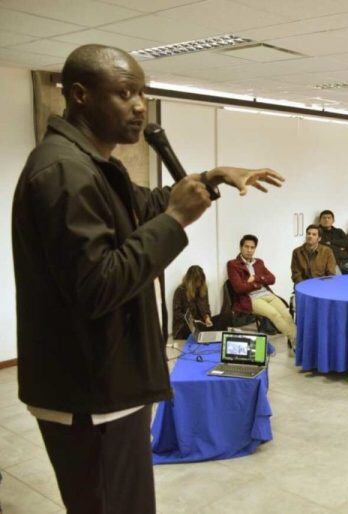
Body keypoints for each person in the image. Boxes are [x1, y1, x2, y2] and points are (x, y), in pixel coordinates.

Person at [11, 44, 284, 514]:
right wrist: (177, 219)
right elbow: (98, 285)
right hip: (90, 394)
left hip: (107, 386)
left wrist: (211, 176)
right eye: (123, 93)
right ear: (79, 95)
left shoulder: (94, 165)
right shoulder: (64, 173)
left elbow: (147, 204)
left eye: (142, 92)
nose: (140, 105)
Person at [227, 235, 296, 350]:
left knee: (287, 314)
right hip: (251, 299)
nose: (249, 250)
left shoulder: (259, 262)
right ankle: (297, 342)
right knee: (275, 315)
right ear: (240, 247)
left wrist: (255, 278)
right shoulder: (233, 264)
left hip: (267, 294)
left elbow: (272, 279)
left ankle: (295, 340)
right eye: (246, 247)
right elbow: (239, 288)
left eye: (252, 247)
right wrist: (257, 284)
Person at [172, 265, 214, 339]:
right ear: (190, 281)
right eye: (197, 281)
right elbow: (177, 314)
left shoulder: (203, 289)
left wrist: (207, 318)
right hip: (185, 326)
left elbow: (206, 307)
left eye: (201, 281)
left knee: (225, 317)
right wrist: (192, 321)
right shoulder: (180, 291)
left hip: (201, 324)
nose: (199, 284)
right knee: (195, 329)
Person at [318, 209, 348, 273]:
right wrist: (339, 247)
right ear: (320, 221)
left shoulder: (338, 231)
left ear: (333, 220)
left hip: (344, 261)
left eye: (329, 218)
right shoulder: (317, 232)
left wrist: (331, 242)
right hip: (331, 264)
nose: (326, 220)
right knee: (338, 281)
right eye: (324, 218)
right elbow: (324, 247)